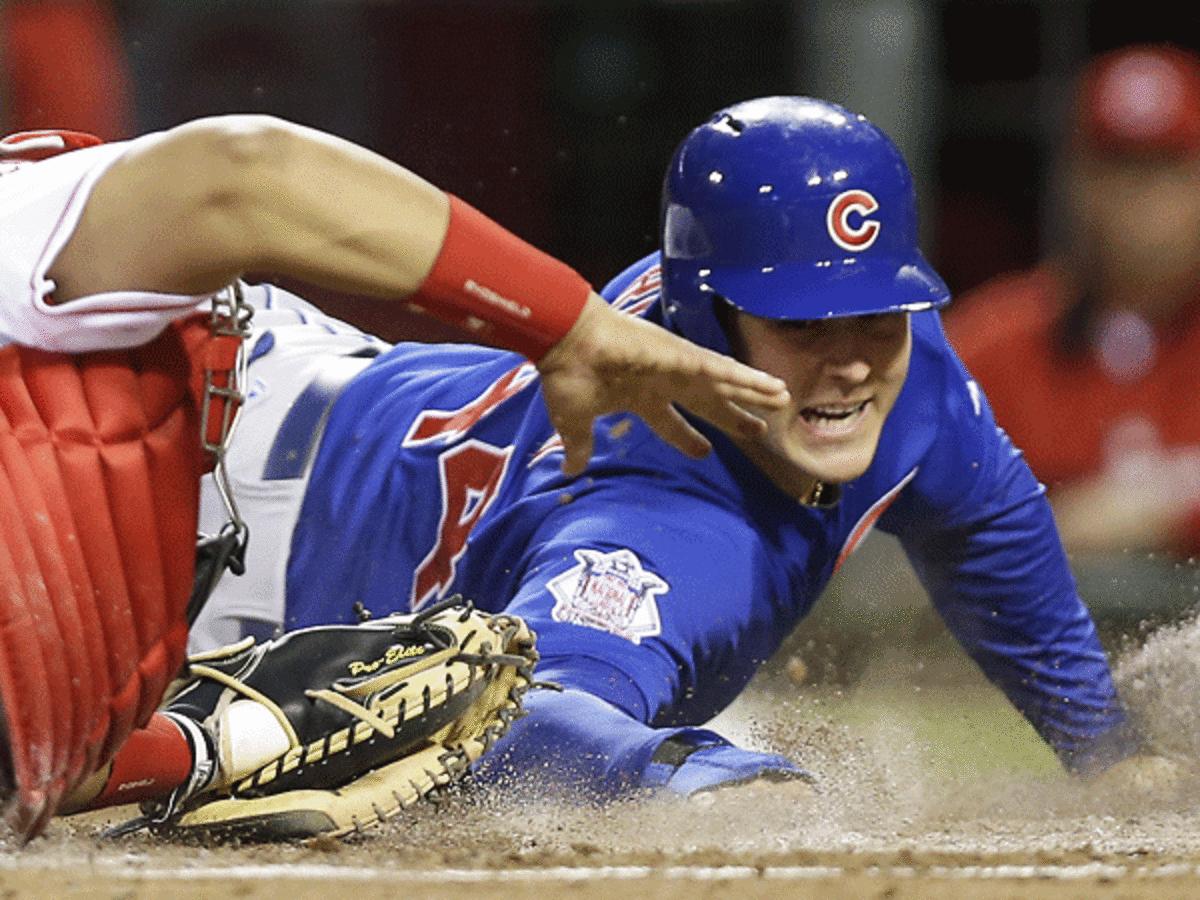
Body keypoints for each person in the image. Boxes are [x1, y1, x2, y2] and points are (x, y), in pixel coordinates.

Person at [61, 96, 1169, 829]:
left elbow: (989, 525)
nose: (848, 362)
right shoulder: (662, 509)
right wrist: (704, 779)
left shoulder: (911, 364)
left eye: (874, 309)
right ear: (698, 320)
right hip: (176, 492)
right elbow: (522, 709)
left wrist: (1101, 745)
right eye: (798, 321)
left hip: (295, 388)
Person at [0, 116, 789, 840]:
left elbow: (240, 174)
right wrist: (214, 746)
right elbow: (39, 754)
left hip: (264, 421)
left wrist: (565, 325)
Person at [947, 44, 1200, 558]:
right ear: (1076, 181)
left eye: (1170, 169)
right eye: (1119, 168)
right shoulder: (992, 342)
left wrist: (1166, 499)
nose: (1144, 197)